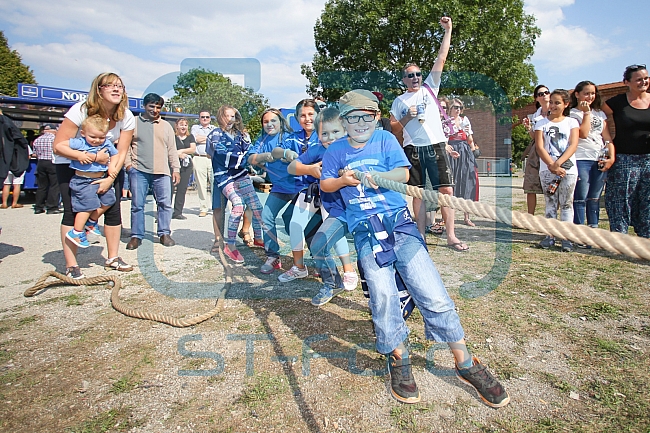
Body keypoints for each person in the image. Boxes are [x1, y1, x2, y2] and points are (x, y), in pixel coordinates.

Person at [321, 89, 509, 407]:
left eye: (366, 116)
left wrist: (373, 177)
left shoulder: (385, 141)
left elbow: (404, 173)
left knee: (432, 291)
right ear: (344, 120)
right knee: (382, 297)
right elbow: (326, 184)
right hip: (367, 234)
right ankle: (399, 357)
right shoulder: (336, 150)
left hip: (400, 225)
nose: (359, 123)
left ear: (376, 117)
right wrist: (343, 182)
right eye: (352, 117)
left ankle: (464, 362)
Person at [389, 17, 469, 252]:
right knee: (419, 194)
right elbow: (394, 130)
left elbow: (441, 58)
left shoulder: (430, 88)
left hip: (436, 145)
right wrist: (407, 117)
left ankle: (451, 236)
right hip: (413, 149)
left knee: (446, 190)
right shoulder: (399, 101)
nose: (415, 78)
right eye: (410, 75)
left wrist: (448, 31)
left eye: (417, 74)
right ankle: (420, 235)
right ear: (403, 79)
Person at [53, 72, 135, 278]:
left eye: (120, 86)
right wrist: (89, 156)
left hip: (108, 165)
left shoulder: (126, 116)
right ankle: (72, 265)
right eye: (110, 85)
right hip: (72, 165)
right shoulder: (81, 110)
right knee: (73, 211)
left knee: (113, 207)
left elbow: (122, 150)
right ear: (99, 90)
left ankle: (113, 258)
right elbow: (58, 146)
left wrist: (110, 177)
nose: (117, 89)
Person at [288, 107, 359, 306]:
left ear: (345, 129)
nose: (330, 138)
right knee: (319, 245)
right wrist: (310, 168)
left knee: (372, 254)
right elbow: (292, 167)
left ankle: (365, 280)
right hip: (338, 211)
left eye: (335, 132)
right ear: (317, 135)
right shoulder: (318, 150)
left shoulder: (354, 148)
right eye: (324, 133)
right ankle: (332, 282)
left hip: (361, 209)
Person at [206, 106, 264, 263]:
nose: (231, 119)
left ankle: (260, 239)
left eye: (233, 116)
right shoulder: (215, 135)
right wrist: (247, 160)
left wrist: (256, 162)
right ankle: (228, 244)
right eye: (227, 116)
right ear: (220, 117)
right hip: (223, 176)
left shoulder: (241, 135)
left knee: (256, 206)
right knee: (234, 206)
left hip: (240, 174)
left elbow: (249, 151)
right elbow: (222, 154)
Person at [273, 99, 322, 282]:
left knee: (313, 225)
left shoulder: (324, 135)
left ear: (318, 115)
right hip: (302, 190)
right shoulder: (294, 137)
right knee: (292, 221)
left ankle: (319, 263)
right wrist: (285, 154)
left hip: (322, 191)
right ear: (297, 118)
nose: (307, 118)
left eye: (311, 114)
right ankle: (306, 263)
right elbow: (277, 151)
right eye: (303, 115)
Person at [247, 108, 301, 273]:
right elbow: (250, 158)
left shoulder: (290, 137)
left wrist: (287, 156)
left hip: (300, 186)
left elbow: (300, 158)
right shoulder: (262, 140)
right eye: (266, 121)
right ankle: (273, 256)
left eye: (273, 121)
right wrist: (264, 156)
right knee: (266, 217)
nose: (269, 124)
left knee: (291, 220)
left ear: (281, 122)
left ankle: (315, 258)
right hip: (280, 187)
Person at [124, 93, 180, 250]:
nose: (155, 110)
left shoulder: (166, 126)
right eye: (151, 106)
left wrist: (175, 169)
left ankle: (164, 233)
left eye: (158, 107)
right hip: (138, 170)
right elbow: (126, 146)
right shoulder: (133, 123)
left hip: (162, 171)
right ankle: (136, 236)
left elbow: (172, 150)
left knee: (164, 204)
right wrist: (128, 165)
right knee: (137, 205)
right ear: (144, 106)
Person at [602, 65, 650, 238]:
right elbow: (600, 119)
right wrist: (607, 142)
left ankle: (646, 237)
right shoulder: (616, 102)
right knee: (619, 200)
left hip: (648, 159)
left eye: (646, 78)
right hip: (624, 159)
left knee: (647, 200)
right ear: (626, 82)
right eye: (638, 79)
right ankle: (619, 237)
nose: (643, 82)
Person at [535, 89, 580, 252]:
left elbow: (573, 145)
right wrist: (551, 164)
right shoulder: (541, 123)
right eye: (551, 102)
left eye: (557, 103)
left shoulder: (572, 122)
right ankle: (550, 236)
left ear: (566, 104)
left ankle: (566, 238)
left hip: (568, 169)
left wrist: (559, 164)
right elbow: (540, 147)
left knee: (567, 203)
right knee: (550, 202)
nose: (553, 106)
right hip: (547, 169)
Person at [63, 115, 119, 248]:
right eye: (93, 137)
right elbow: (60, 145)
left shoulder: (106, 144)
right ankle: (76, 231)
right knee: (87, 206)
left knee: (110, 200)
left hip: (100, 178)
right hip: (83, 180)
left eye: (101, 137)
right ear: (83, 133)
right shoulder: (80, 142)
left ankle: (91, 221)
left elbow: (115, 154)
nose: (97, 140)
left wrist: (112, 166)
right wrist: (79, 155)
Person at [569, 81, 614, 240]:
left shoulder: (600, 114)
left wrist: (611, 157)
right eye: (586, 93)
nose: (590, 97)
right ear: (577, 94)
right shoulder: (573, 114)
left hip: (599, 158)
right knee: (580, 197)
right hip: (582, 158)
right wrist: (586, 113)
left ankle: (593, 233)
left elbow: (607, 137)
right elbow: (583, 133)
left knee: (594, 198)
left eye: (593, 93)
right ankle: (580, 234)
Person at [447, 99, 479, 226]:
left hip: (464, 151)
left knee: (466, 180)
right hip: (451, 150)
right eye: (455, 107)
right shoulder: (446, 120)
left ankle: (467, 217)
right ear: (450, 108)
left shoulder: (465, 120)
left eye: (460, 107)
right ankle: (448, 217)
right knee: (451, 182)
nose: (458, 109)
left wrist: (467, 134)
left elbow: (470, 139)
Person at [521, 85, 551, 215]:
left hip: (552, 150)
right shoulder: (535, 115)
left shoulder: (557, 111)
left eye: (546, 92)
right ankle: (530, 216)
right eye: (540, 94)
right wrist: (528, 128)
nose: (544, 95)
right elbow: (535, 137)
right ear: (536, 98)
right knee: (531, 186)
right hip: (536, 152)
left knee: (552, 186)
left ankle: (551, 216)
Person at [190, 110, 215, 218]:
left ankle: (216, 207)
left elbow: (216, 141)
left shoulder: (214, 128)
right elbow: (194, 139)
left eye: (207, 117)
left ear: (210, 118)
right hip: (199, 157)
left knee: (215, 184)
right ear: (199, 118)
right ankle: (203, 208)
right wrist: (209, 139)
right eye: (202, 117)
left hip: (212, 159)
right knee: (201, 184)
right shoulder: (195, 128)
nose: (205, 119)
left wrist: (203, 139)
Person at [32, 124, 61, 214]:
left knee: (42, 186)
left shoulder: (37, 140)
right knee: (54, 185)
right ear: (53, 130)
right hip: (52, 162)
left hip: (41, 162)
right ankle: (52, 207)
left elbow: (35, 154)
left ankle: (38, 207)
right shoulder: (54, 139)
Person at [171, 118, 196, 220]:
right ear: (176, 126)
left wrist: (180, 151)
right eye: (181, 125)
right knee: (169, 189)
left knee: (182, 189)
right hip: (173, 165)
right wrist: (177, 154)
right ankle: (164, 212)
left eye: (185, 125)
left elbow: (192, 149)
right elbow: (169, 149)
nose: (183, 127)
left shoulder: (190, 137)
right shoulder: (172, 137)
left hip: (186, 166)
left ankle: (178, 212)